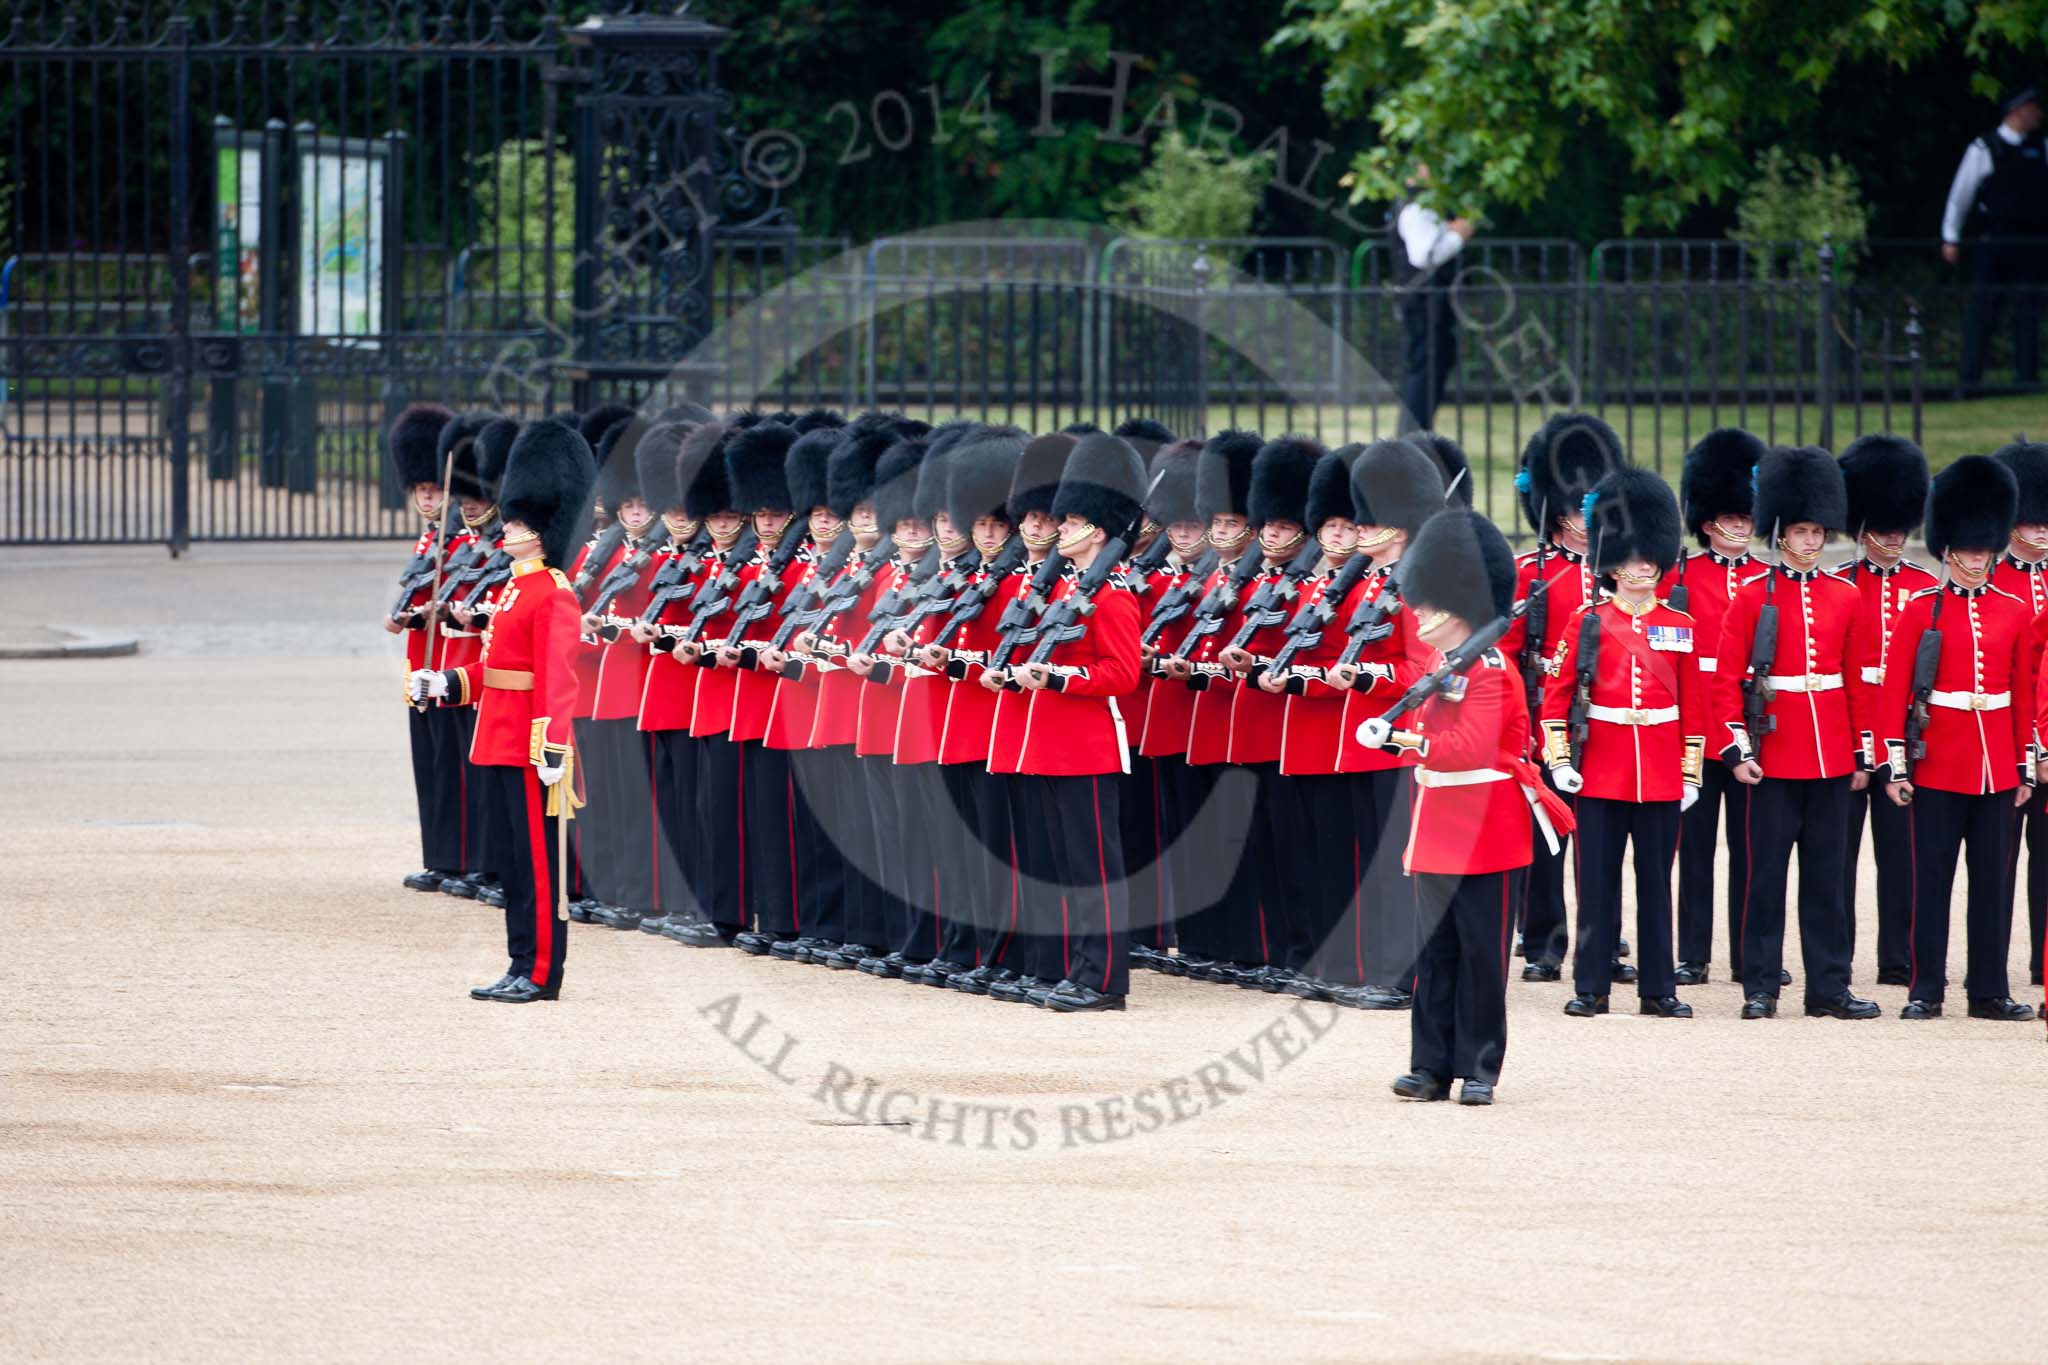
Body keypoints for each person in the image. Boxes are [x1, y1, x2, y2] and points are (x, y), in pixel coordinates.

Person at [408, 419, 597, 1003]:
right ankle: (520, 962)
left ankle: (542, 972)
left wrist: (553, 749)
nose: (506, 526)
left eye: (516, 521)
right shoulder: (513, 589)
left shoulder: (554, 593)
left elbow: (558, 681)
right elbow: (498, 671)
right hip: (498, 735)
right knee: (514, 864)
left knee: (540, 867)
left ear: (539, 531)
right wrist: (445, 682)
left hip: (532, 747)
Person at [1357, 509, 1538, 1106]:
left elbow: (1471, 748)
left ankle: (1480, 1066)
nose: (1420, 614)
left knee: (1482, 956)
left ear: (1458, 608)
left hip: (1486, 825)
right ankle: (1429, 1065)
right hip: (1437, 824)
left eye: (1429, 606)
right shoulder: (1442, 666)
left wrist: (1402, 740)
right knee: (1435, 954)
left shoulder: (1489, 669)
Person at [1711, 445, 1878, 1021]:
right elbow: (1727, 679)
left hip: (1831, 754)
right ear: (1781, 533)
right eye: (1801, 531)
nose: (1810, 542)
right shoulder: (1753, 595)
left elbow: (1858, 682)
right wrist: (1738, 749)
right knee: (1764, 878)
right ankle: (1760, 985)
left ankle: (1829, 987)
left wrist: (1862, 753)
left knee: (1829, 880)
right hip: (1773, 756)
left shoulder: (1846, 594)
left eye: (1817, 532)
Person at [990, 431, 1149, 1012]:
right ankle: (1066, 967)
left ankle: (1103, 979)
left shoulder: (1112, 593)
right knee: (1058, 864)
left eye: (1074, 519)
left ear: (1099, 531)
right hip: (1045, 741)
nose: (1061, 528)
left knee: (1091, 868)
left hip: (1085, 744)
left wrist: (1059, 680)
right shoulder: (1058, 587)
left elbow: (1122, 673)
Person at [1879, 453, 2037, 1022]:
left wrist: (2024, 765)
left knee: (1994, 886)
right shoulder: (1921, 610)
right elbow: (1893, 695)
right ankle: (1926, 988)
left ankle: (1989, 990)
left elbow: (2022, 695)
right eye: (1968, 550)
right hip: (1938, 764)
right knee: (1932, 883)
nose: (1977, 559)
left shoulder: (2015, 610)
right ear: (1948, 549)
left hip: (1995, 766)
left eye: (1984, 549)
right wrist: (1896, 768)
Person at [1541, 467, 1704, 1020]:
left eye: (1648, 558)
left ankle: (1659, 989)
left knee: (1657, 885)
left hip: (1659, 772)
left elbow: (1694, 707)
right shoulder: (1586, 621)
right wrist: (1560, 761)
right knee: (1596, 885)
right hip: (1602, 770)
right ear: (1613, 562)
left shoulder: (1679, 625)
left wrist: (1690, 773)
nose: (1641, 568)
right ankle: (1592, 985)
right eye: (1632, 558)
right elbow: (1555, 699)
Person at [1500, 411, 1628, 981]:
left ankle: (1603, 941)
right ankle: (1543, 940)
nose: (1583, 518)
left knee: (1601, 841)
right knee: (1546, 831)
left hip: (1605, 720)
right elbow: (1503, 651)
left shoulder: (1621, 573)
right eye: (1575, 508)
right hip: (1541, 719)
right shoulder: (1529, 572)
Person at [1832, 434, 1936, 986]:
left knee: (1902, 861)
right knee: (1838, 862)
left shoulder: (1925, 589)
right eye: (1884, 526)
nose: (1894, 537)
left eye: (1900, 526)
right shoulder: (1839, 585)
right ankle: (1837, 959)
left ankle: (1898, 958)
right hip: (1852, 735)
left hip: (1903, 738)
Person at [1668, 428, 1764, 985]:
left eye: (1746, 518)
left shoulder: (1766, 582)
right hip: (1696, 731)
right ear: (1707, 523)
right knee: (1696, 852)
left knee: (1751, 855)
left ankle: (1749, 956)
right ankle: (1693, 954)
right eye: (1730, 519)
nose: (1740, 528)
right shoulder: (1683, 576)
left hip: (1749, 726)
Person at [385, 401, 460, 893]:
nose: (428, 496)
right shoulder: (427, 540)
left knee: (453, 767)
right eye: (422, 490)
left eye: (435, 488)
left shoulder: (460, 542)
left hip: (454, 664)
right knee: (429, 765)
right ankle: (439, 855)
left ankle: (459, 858)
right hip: (422, 661)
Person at [1942, 84, 2046, 392]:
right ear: (2017, 111)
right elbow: (1960, 196)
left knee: (2029, 308)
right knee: (1985, 307)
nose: (2039, 114)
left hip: (2033, 240)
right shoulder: (1985, 148)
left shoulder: (2042, 147)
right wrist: (1951, 235)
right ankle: (1970, 378)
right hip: (1996, 238)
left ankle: (2027, 378)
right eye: (2033, 108)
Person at [1991, 439, 2048, 988]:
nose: (2040, 530)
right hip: (2006, 740)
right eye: (2031, 522)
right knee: (1999, 862)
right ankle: (1994, 967)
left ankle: (2041, 964)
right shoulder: (1993, 583)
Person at [1392, 163, 1476, 432]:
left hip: (1436, 302)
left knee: (1438, 363)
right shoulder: (1417, 210)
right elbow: (1424, 256)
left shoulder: (1431, 208)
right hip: (1423, 302)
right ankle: (1410, 435)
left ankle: (1418, 433)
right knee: (1425, 367)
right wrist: (1458, 237)